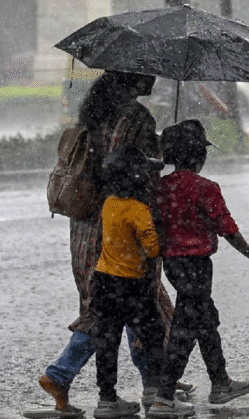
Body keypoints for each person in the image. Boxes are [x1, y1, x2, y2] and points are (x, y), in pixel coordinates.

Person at [37, 71, 192, 415]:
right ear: (132, 77)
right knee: (131, 308)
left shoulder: (94, 113)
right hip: (121, 229)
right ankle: (64, 375)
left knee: (119, 308)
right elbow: (135, 171)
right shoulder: (135, 116)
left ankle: (156, 380)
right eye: (147, 71)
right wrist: (163, 153)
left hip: (86, 226)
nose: (154, 77)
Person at [148, 119, 249, 417]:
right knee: (186, 327)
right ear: (199, 156)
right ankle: (163, 397)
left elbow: (156, 226)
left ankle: (220, 382)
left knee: (205, 319)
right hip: (197, 266)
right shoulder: (206, 188)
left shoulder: (159, 188)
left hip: (172, 265)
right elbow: (226, 226)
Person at [89, 144, 189, 418]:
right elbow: (153, 249)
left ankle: (107, 400)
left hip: (103, 283)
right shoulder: (139, 211)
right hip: (132, 286)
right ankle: (158, 395)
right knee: (153, 339)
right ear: (137, 179)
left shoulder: (109, 204)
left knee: (107, 343)